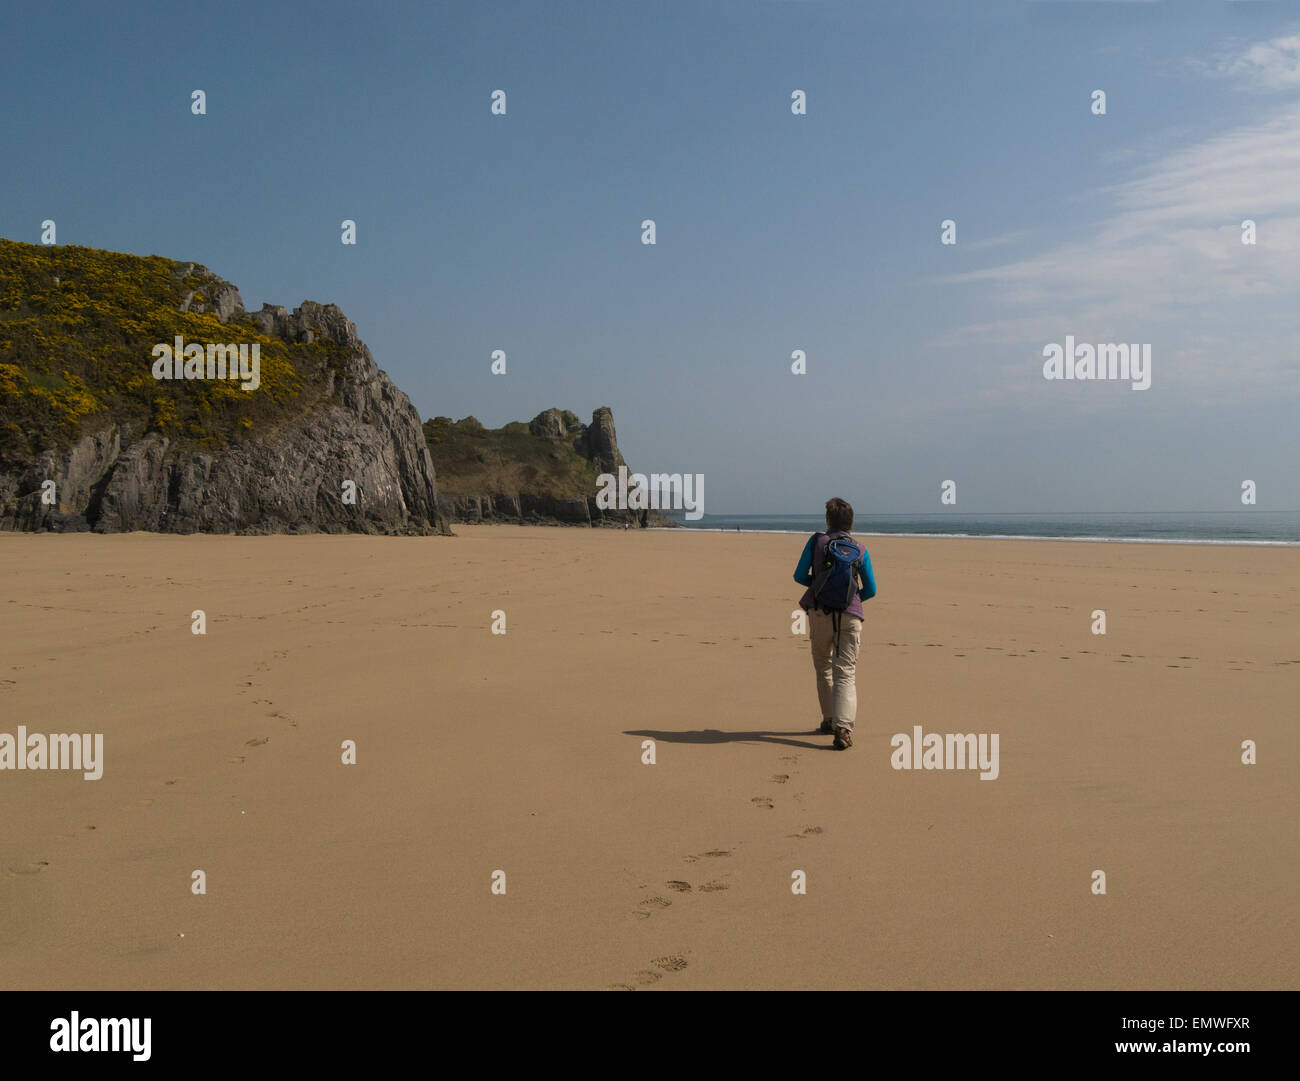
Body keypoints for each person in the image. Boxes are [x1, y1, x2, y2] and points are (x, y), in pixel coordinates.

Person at [793, 498, 877, 750]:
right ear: (851, 523)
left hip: (820, 613)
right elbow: (871, 589)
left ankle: (829, 720)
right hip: (850, 615)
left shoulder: (817, 541)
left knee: (824, 666)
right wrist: (850, 597)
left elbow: (798, 576)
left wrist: (820, 585)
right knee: (846, 672)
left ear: (828, 521)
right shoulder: (860, 549)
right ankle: (844, 728)